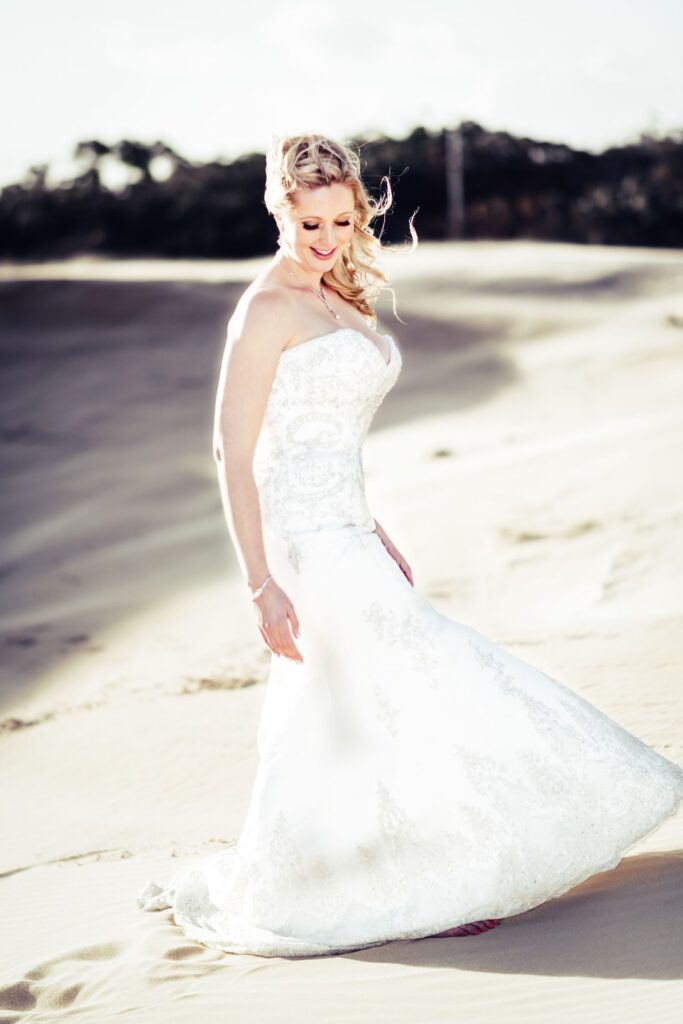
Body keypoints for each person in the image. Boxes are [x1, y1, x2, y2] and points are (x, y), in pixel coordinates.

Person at [136, 131, 683, 958]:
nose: (324, 241)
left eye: (339, 223)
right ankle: (412, 876)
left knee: (373, 691)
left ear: (356, 215)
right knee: (408, 670)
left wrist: (373, 524)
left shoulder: (338, 296)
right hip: (301, 544)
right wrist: (260, 582)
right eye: (307, 224)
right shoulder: (265, 309)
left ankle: (409, 864)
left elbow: (327, 439)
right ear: (276, 211)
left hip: (347, 526)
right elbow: (233, 452)